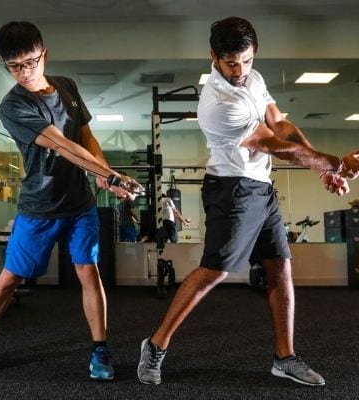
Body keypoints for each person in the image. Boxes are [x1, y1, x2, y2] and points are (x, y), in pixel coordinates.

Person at [138, 16, 359, 387]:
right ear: (214, 57)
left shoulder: (253, 80)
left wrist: (322, 169)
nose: (240, 70)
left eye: (247, 60)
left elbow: (280, 124)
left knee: (280, 268)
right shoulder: (218, 103)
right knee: (216, 271)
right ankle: (156, 344)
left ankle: (284, 357)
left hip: (261, 187)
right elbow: (270, 143)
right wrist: (335, 162)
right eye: (231, 63)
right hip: (232, 190)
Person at [0, 21, 142, 380]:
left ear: (44, 55)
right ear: (6, 65)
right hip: (39, 207)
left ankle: (99, 350)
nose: (24, 73)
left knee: (89, 272)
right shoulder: (14, 105)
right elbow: (61, 144)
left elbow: (86, 138)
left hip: (80, 205)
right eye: (14, 66)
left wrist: (109, 177)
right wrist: (111, 176)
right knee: (11, 277)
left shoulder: (68, 87)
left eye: (30, 62)